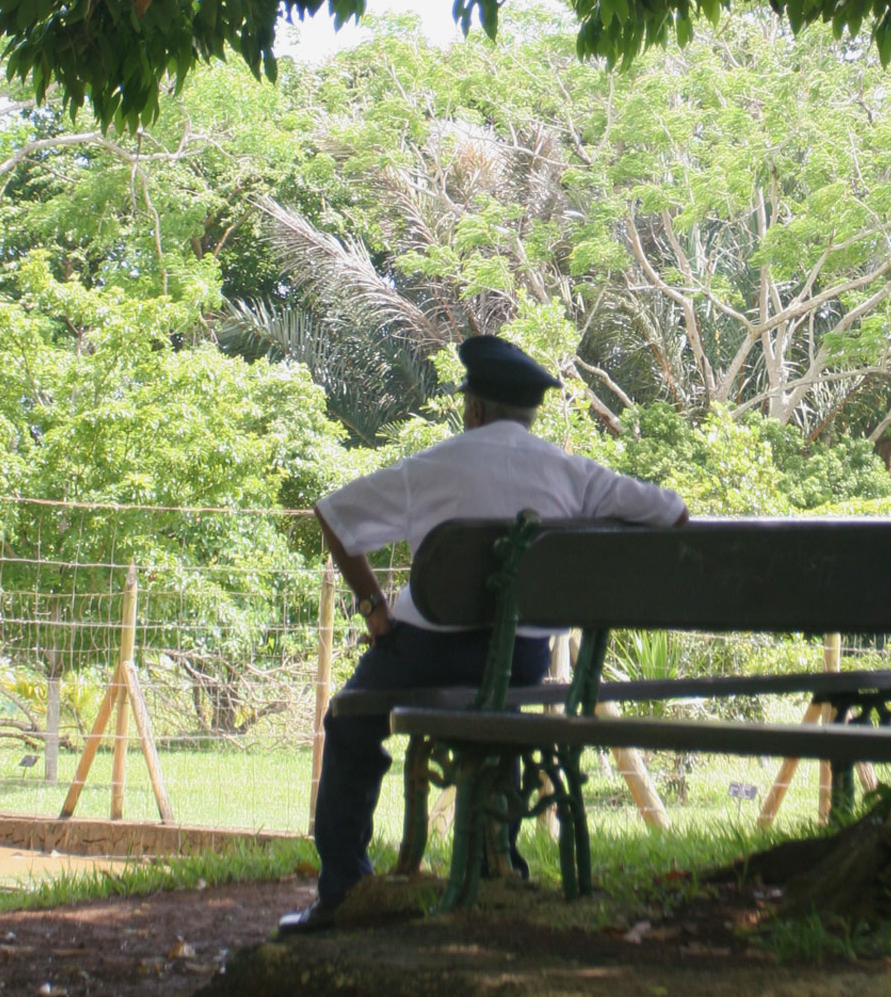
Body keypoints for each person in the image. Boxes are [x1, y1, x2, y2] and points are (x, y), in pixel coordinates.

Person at [279, 333, 688, 934]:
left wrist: (375, 611)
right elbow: (673, 512)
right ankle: (497, 859)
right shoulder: (574, 473)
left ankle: (342, 889)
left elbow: (334, 516)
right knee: (497, 708)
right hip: (523, 661)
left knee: (349, 721)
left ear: (474, 409)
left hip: (423, 655)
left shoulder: (431, 467)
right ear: (529, 414)